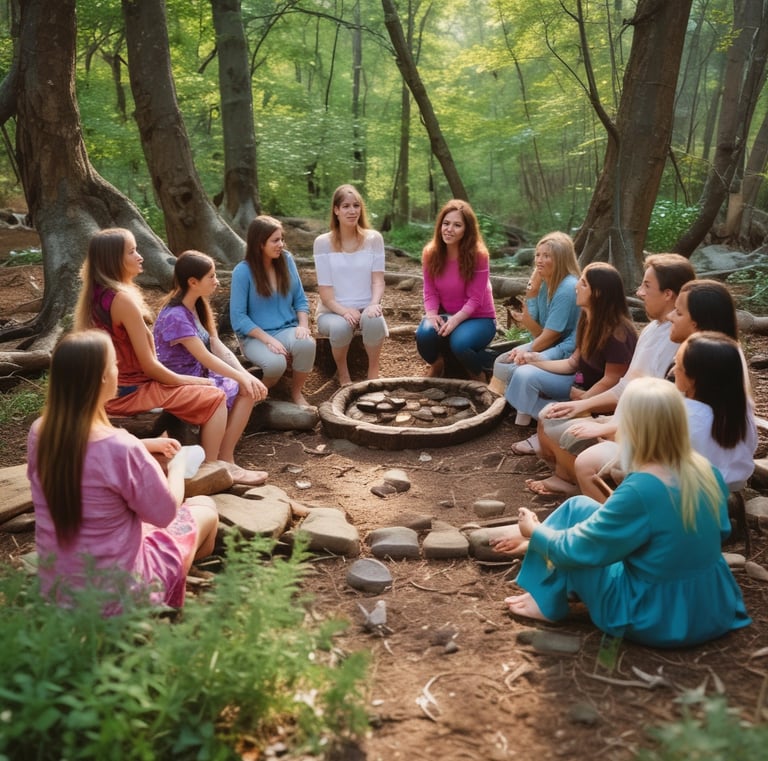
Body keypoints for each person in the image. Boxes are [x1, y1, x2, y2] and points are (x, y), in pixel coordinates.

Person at [501, 378, 751, 647]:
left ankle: (548, 601)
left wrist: (535, 532)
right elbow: (721, 531)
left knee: (576, 546)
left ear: (631, 427)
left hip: (654, 616)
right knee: (578, 506)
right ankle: (549, 590)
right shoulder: (705, 470)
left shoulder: (642, 488)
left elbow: (579, 550)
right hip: (712, 606)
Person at [29, 330, 219, 610]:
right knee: (205, 508)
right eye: (115, 364)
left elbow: (87, 453)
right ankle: (167, 594)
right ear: (103, 378)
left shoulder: (41, 432)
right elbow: (165, 513)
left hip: (58, 589)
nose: (119, 370)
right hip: (119, 596)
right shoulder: (121, 447)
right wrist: (176, 469)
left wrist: (145, 444)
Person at [74, 227, 267, 486]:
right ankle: (214, 468)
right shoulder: (121, 301)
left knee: (217, 387)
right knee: (214, 395)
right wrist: (195, 382)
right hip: (128, 392)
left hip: (117, 388)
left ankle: (221, 462)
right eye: (132, 251)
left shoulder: (98, 296)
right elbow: (150, 367)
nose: (140, 256)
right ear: (114, 260)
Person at [530, 253, 696, 497]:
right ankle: (569, 478)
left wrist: (608, 428)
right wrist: (580, 406)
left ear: (669, 294)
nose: (639, 292)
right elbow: (624, 386)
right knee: (550, 416)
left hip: (642, 432)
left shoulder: (679, 342)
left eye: (646, 286)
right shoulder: (651, 330)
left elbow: (661, 407)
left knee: (570, 439)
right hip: (621, 420)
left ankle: (607, 503)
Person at [574, 276, 747, 501]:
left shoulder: (689, 413)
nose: (670, 316)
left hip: (684, 487)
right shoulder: (725, 364)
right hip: (716, 477)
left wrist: (613, 432)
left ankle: (622, 524)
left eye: (678, 312)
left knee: (589, 467)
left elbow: (656, 451)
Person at [506, 262, 637, 459]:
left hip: (604, 399)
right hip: (578, 387)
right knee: (524, 373)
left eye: (583, 283)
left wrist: (584, 402)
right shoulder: (587, 319)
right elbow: (572, 363)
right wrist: (535, 361)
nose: (576, 286)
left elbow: (612, 381)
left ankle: (550, 432)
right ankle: (549, 421)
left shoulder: (618, 333)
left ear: (598, 293)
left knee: (554, 411)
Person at [154, 250, 269, 468]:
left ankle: (226, 458)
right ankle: (212, 462)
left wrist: (245, 375)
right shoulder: (175, 316)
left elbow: (215, 344)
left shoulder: (197, 306)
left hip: (200, 374)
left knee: (248, 389)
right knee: (231, 391)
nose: (217, 281)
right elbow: (204, 356)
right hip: (181, 381)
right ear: (193, 282)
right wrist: (240, 376)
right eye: (212, 277)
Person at [489, 231, 581, 422]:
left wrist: (529, 351)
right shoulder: (546, 283)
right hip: (550, 344)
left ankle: (530, 411)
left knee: (511, 366)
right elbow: (535, 327)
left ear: (561, 259)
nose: (539, 260)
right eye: (537, 255)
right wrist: (532, 289)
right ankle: (509, 406)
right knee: (502, 361)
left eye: (546, 256)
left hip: (566, 351)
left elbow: (551, 336)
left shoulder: (567, 289)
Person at [230, 215, 316, 407]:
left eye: (281, 239)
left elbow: (300, 299)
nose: (281, 244)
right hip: (255, 337)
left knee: (306, 344)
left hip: (287, 329)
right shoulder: (242, 272)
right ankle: (256, 395)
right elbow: (238, 318)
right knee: (276, 363)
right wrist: (268, 340)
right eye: (275, 240)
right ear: (260, 243)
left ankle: (295, 393)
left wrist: (303, 325)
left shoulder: (286, 260)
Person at [415, 199, 497, 381]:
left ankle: (479, 375)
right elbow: (430, 291)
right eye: (446, 223)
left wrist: (455, 321)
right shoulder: (430, 253)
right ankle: (438, 365)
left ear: (467, 230)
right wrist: (431, 314)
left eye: (457, 225)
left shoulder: (479, 255)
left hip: (480, 318)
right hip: (448, 314)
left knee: (459, 343)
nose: (449, 229)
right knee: (424, 334)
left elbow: (476, 299)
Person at [313, 185, 388, 385]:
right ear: (336, 210)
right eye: (346, 206)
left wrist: (373, 303)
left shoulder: (374, 239)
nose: (352, 210)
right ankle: (343, 374)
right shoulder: (322, 243)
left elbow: (378, 280)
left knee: (374, 320)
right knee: (340, 327)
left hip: (366, 306)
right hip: (332, 311)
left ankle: (373, 373)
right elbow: (325, 293)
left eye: (356, 205)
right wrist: (344, 311)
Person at [672, 331, 757, 488]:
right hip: (734, 486)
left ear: (694, 379)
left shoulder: (685, 414)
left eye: (678, 365)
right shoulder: (742, 409)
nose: (673, 371)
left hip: (689, 491)